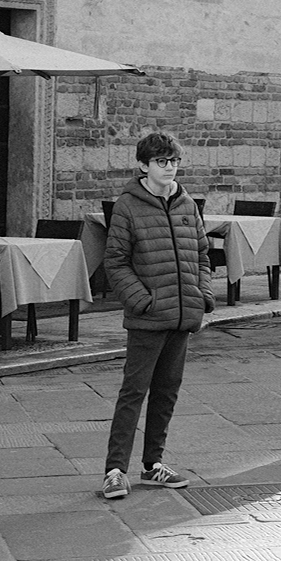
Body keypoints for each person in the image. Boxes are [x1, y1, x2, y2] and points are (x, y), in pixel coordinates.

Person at [98, 132, 211, 500]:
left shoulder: (186, 203)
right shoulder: (128, 206)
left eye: (174, 161)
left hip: (183, 315)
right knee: (133, 393)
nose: (169, 167)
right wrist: (142, 301)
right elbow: (115, 261)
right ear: (144, 165)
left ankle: (153, 465)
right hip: (148, 317)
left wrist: (203, 296)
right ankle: (115, 471)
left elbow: (202, 255)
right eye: (161, 161)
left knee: (166, 393)